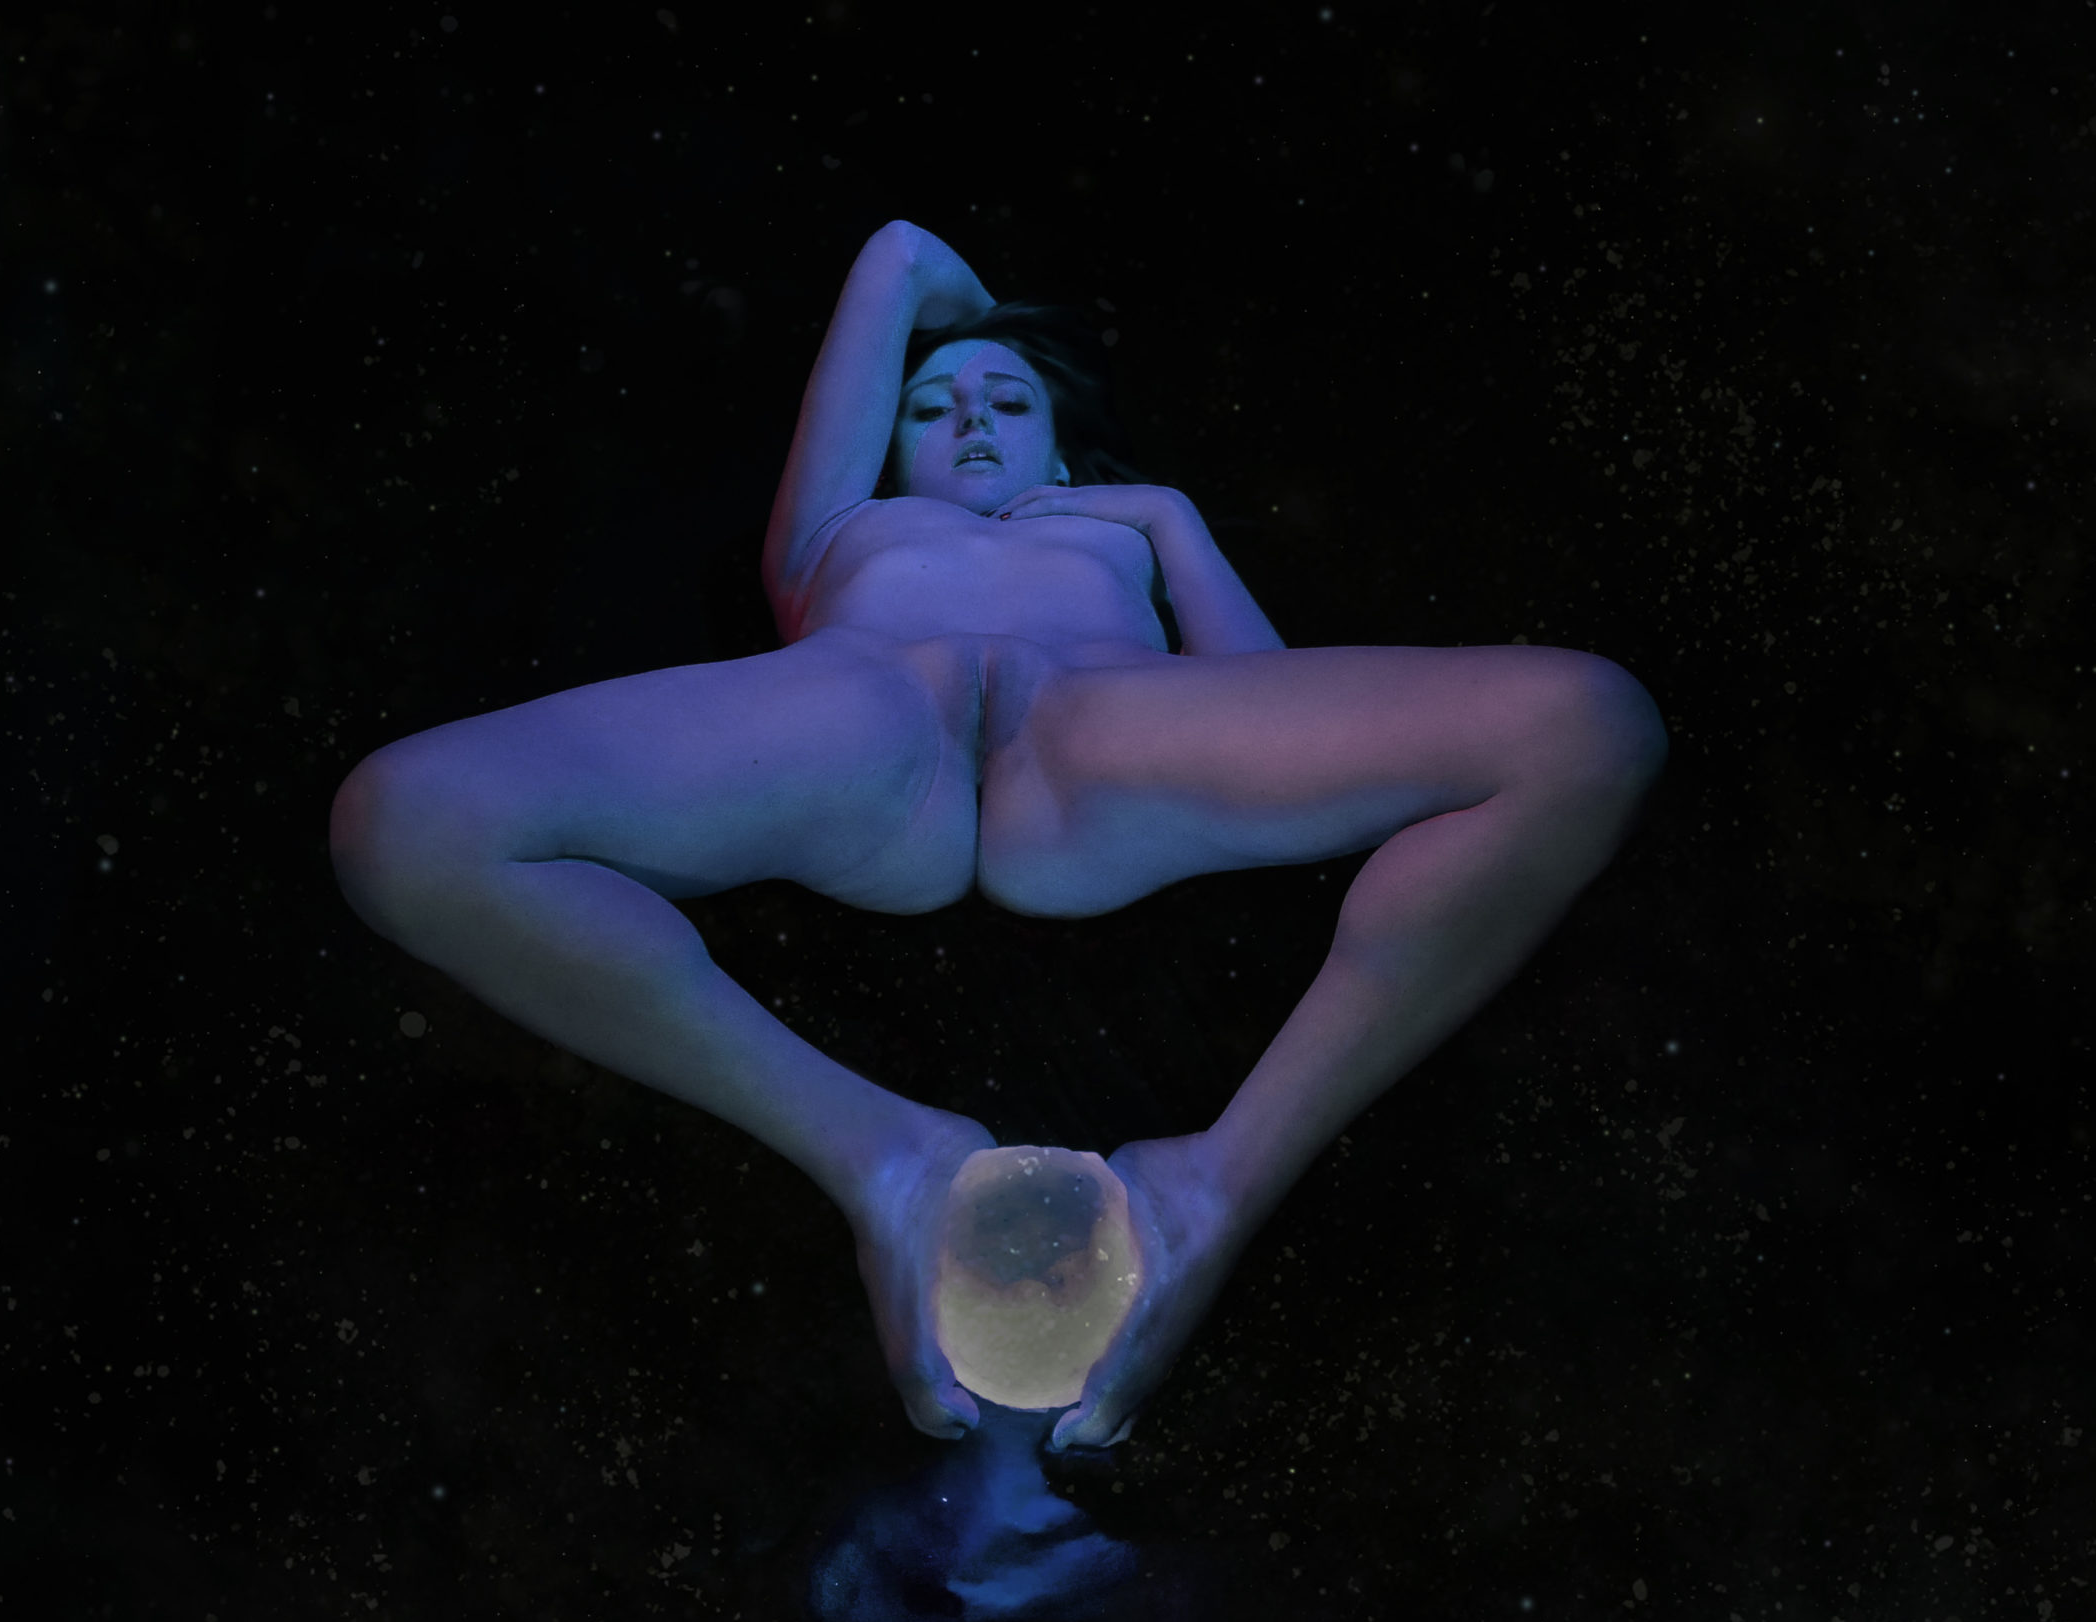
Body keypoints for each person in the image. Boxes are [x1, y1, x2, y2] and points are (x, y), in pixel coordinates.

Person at [328, 220, 1668, 1455]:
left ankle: (1215, 1185)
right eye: (931, 405)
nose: (969, 415)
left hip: (1102, 729)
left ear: (1065, 455)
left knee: (1590, 726)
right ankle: (880, 1155)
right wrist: (979, 325)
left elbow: (1268, 696)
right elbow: (900, 255)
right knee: (406, 818)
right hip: (865, 720)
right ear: (883, 446)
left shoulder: (1120, 534)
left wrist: (1169, 521)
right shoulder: (834, 535)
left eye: (1009, 402)